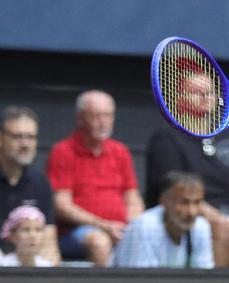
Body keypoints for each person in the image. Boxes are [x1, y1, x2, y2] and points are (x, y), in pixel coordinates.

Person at [146, 71, 229, 267]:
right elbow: (178, 192)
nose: (205, 97)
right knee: (218, 227)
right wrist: (224, 222)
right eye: (196, 92)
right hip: (192, 216)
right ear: (180, 99)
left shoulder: (227, 135)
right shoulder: (166, 138)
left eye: (209, 92)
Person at [47, 90, 143, 265]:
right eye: (97, 116)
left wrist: (131, 225)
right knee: (99, 242)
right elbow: (62, 206)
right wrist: (106, 226)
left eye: (108, 116)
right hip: (75, 232)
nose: (103, 122)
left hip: (120, 228)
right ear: (80, 119)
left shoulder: (120, 151)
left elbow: (133, 198)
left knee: (147, 235)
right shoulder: (63, 151)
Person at [113, 172, 214, 269]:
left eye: (197, 203)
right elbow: (140, 281)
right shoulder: (145, 226)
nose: (191, 212)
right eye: (184, 203)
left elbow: (204, 276)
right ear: (163, 201)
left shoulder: (201, 227)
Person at [0, 106, 58, 263]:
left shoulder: (40, 182)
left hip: (27, 275)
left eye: (31, 137)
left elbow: (49, 245)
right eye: (17, 137)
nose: (25, 144)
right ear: (1, 139)